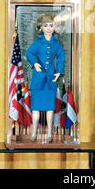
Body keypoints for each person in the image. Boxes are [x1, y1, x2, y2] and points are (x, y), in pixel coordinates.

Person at [26, 14, 65, 142]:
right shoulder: (38, 43)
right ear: (41, 28)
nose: (48, 28)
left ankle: (49, 133)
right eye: (45, 26)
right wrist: (35, 63)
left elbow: (60, 57)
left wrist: (59, 71)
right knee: (35, 108)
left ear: (54, 28)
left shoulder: (56, 43)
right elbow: (29, 53)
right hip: (38, 79)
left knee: (50, 109)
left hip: (50, 79)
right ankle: (34, 133)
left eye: (51, 26)